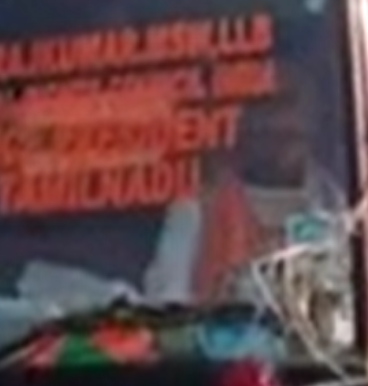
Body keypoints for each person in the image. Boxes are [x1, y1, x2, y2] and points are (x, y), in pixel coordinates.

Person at [143, 62, 345, 303]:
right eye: (264, 105)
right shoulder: (199, 202)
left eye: (287, 102)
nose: (277, 121)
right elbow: (167, 307)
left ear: (314, 115)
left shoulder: (339, 204)